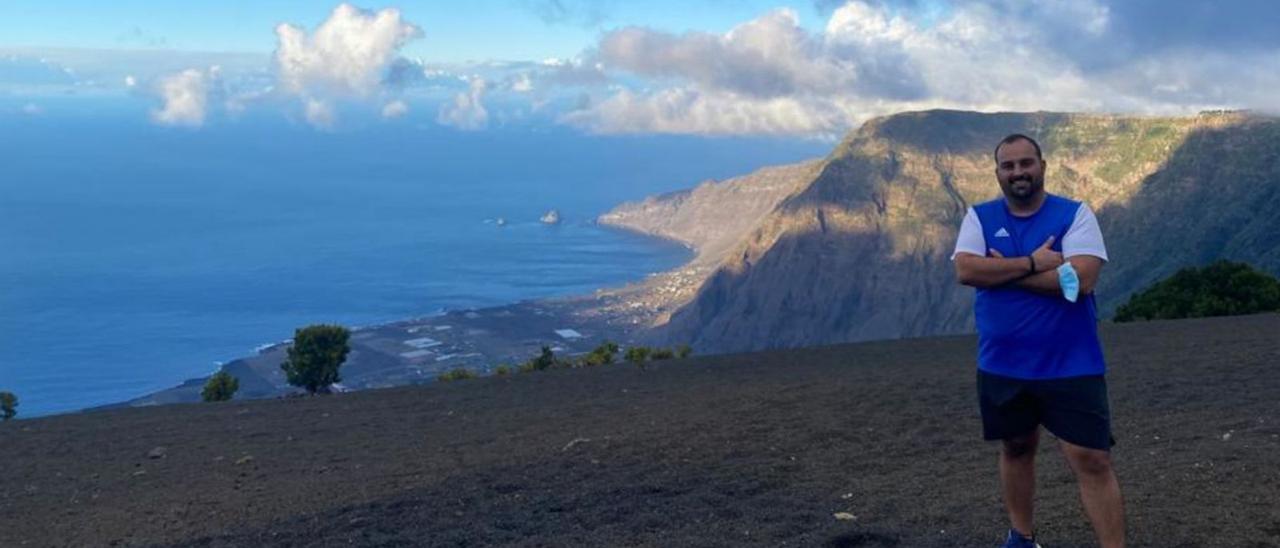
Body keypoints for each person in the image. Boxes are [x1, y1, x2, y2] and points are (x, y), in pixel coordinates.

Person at [952, 134, 1125, 548]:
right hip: (1002, 364)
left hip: (1072, 363)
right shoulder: (979, 217)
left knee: (1092, 459)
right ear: (997, 173)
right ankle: (1021, 537)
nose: (1018, 173)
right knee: (1015, 447)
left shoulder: (1075, 215)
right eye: (1008, 166)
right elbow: (967, 272)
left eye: (1026, 163)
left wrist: (1006, 271)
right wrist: (1036, 263)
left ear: (1043, 166)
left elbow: (1080, 281)